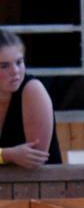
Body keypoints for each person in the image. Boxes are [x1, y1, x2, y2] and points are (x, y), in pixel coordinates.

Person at [0, 29, 62, 168]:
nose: (15, 71)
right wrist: (7, 155)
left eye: (19, 62)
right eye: (4, 66)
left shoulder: (33, 90)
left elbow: (35, 159)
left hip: (42, 181)